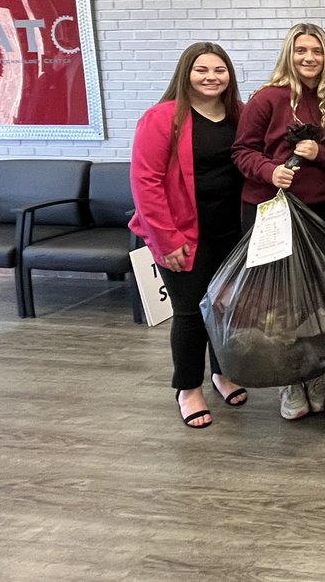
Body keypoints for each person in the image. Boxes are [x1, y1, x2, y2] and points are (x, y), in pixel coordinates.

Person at [130, 43, 248, 429]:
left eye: (220, 70)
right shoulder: (163, 118)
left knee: (225, 309)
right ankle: (188, 388)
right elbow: (145, 183)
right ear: (186, 73)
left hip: (231, 232)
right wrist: (166, 240)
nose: (211, 77)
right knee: (190, 313)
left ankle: (222, 373)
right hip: (183, 235)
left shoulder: (238, 115)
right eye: (202, 70)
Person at [232, 23, 325, 421]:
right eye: (301, 51)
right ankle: (288, 380)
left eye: (316, 51)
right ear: (289, 54)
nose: (309, 58)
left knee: (318, 299)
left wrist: (321, 154)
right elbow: (242, 151)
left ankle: (314, 374)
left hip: (321, 212)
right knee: (278, 301)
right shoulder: (267, 98)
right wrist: (269, 171)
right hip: (271, 213)